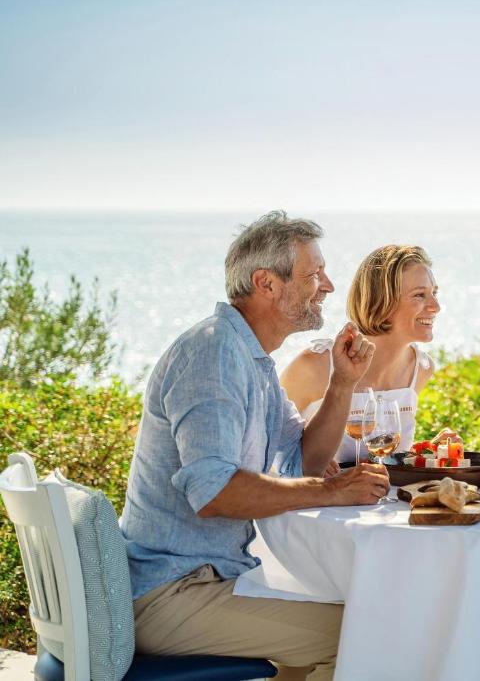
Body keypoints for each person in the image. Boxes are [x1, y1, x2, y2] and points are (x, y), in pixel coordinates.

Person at [120, 211, 390, 681]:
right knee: (369, 634)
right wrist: (331, 491)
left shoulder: (251, 359)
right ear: (267, 283)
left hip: (210, 577)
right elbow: (214, 492)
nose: (327, 286)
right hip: (171, 593)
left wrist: (342, 383)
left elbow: (304, 462)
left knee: (360, 614)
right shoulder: (213, 353)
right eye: (314, 274)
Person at [281, 244, 454, 465]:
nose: (435, 306)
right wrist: (311, 468)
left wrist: (429, 450)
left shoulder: (420, 369)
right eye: (420, 295)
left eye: (434, 293)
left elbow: (384, 455)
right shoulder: (315, 366)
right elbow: (268, 450)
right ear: (382, 302)